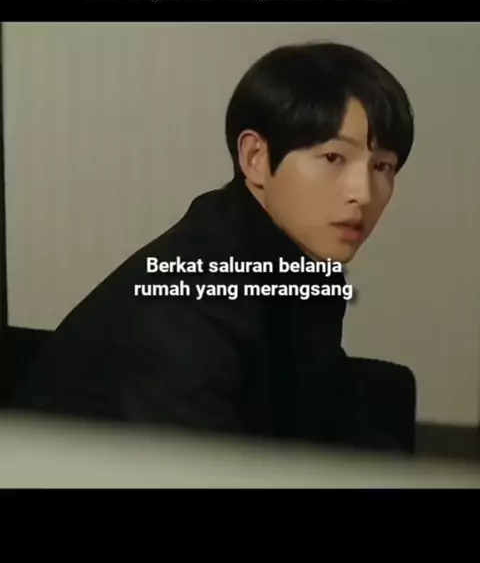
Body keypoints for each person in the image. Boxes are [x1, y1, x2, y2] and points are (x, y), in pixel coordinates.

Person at [12, 41, 417, 452]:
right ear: (255, 158)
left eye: (382, 166)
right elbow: (209, 472)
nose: (363, 193)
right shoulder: (189, 300)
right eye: (333, 158)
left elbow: (321, 428)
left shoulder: (297, 266)